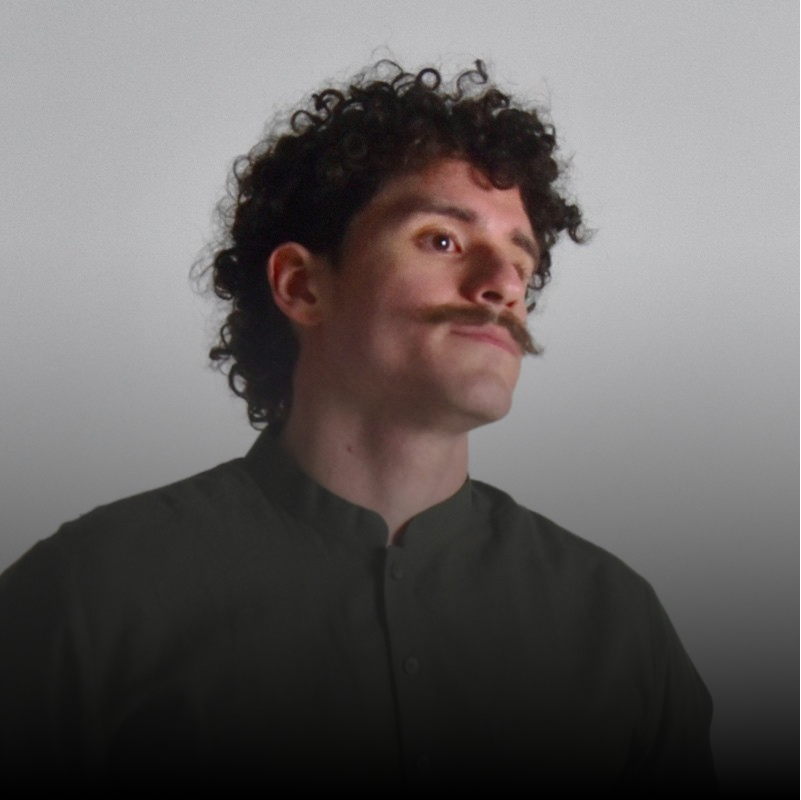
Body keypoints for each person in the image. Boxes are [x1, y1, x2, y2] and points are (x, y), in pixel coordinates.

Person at [0, 61, 716, 793]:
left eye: (520, 266)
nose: (500, 285)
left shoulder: (616, 623)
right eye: (441, 240)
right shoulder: (88, 596)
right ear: (302, 286)